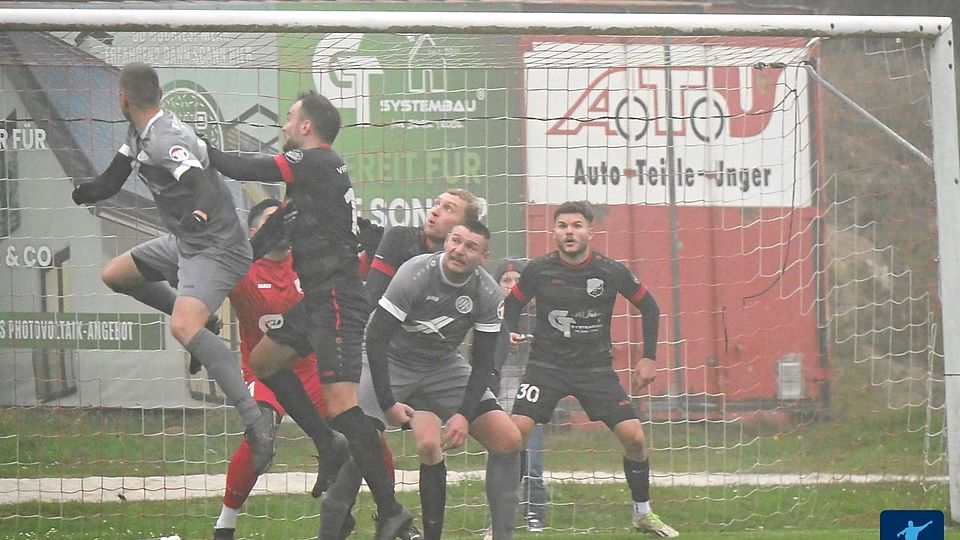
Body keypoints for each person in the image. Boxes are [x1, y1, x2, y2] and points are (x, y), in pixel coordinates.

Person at [205, 91, 414, 540]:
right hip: (318, 299)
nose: (284, 125)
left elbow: (245, 167)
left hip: (338, 298)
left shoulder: (318, 161)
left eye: (289, 118)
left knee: (345, 408)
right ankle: (326, 442)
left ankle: (391, 512)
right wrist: (219, 273)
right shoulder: (309, 185)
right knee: (263, 361)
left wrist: (201, 150)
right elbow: (269, 234)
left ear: (306, 127)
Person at [70, 61, 275, 473]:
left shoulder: (165, 139)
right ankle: (207, 325)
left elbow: (199, 182)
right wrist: (83, 192)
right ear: (158, 95)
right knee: (116, 275)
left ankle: (256, 422)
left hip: (217, 248)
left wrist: (198, 214)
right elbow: (111, 181)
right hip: (187, 243)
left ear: (122, 98)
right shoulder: (139, 133)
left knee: (182, 327)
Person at [503, 201, 679, 538]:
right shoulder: (538, 270)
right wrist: (509, 330)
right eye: (563, 226)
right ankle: (501, 519)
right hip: (546, 366)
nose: (569, 232)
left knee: (635, 438)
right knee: (514, 435)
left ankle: (642, 513)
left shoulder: (610, 271)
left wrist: (649, 357)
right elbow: (512, 304)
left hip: (595, 369)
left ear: (590, 232)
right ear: (554, 232)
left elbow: (650, 307)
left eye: (576, 226)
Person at [319, 188, 482, 540]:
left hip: (435, 365)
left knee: (434, 444)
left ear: (466, 227)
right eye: (436, 203)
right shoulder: (401, 240)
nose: (435, 211)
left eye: (448, 208)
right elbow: (372, 299)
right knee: (365, 437)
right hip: (387, 357)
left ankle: (414, 528)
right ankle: (339, 519)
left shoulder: (469, 266)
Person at [361, 221, 523, 540]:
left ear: (484, 257)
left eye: (471, 247)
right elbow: (376, 339)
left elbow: (483, 361)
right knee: (358, 440)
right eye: (456, 241)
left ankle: (503, 535)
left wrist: (463, 414)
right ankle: (340, 527)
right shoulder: (415, 273)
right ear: (446, 242)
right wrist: (388, 402)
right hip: (391, 360)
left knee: (508, 439)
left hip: (442, 367)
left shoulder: (487, 292)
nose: (460, 250)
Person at [211, 198, 352, 540]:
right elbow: (203, 291)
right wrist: (202, 319)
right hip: (262, 371)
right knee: (260, 436)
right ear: (254, 232)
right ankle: (224, 526)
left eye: (285, 218)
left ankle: (381, 516)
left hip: (310, 368)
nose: (281, 225)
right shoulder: (241, 267)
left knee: (361, 432)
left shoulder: (308, 261)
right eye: (271, 220)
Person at [491, 259, 548, 533]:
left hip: (531, 388)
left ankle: (535, 510)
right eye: (506, 281)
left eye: (517, 280)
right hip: (501, 390)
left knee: (532, 456)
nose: (511, 285)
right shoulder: (489, 313)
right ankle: (501, 515)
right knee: (503, 455)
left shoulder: (540, 315)